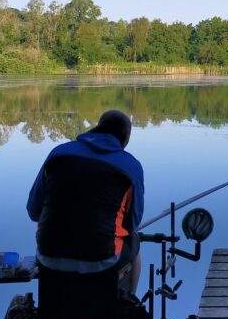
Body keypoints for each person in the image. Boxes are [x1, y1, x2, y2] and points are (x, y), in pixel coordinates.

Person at [26, 109, 145, 293]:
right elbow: (132, 224)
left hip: (48, 255)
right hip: (102, 260)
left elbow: (33, 212)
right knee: (134, 242)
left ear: (98, 127)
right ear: (126, 138)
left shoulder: (58, 154)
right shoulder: (131, 166)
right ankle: (128, 304)